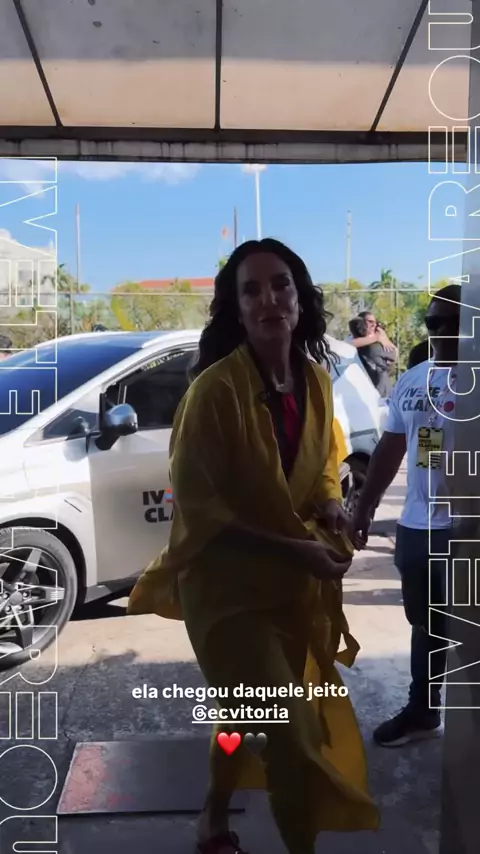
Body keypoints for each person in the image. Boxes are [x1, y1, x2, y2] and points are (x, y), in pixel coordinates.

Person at [128, 239, 379, 854]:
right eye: (252, 289)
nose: (269, 299)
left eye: (281, 284)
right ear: (236, 310)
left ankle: (213, 814)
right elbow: (200, 508)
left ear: (300, 298)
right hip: (226, 596)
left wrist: (330, 506)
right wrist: (298, 551)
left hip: (288, 592)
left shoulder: (315, 380)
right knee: (292, 731)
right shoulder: (213, 392)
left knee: (247, 717)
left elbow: (324, 465)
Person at [351, 284, 462, 747]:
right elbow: (391, 448)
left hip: (467, 530)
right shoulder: (414, 380)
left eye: (453, 323)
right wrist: (365, 506)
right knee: (425, 624)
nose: (441, 332)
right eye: (433, 323)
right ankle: (422, 710)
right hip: (418, 526)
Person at [348, 316, 395, 398]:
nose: (373, 325)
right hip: (380, 389)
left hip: (362, 390)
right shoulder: (375, 347)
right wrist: (383, 337)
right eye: (369, 322)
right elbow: (394, 353)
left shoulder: (352, 346)